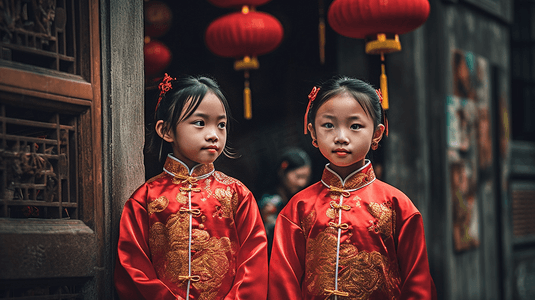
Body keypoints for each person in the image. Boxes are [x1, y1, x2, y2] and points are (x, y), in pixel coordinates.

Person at [268, 76, 436, 299]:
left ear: (377, 133)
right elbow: (283, 284)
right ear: (313, 132)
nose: (341, 137)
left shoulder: (398, 206)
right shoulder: (297, 208)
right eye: (328, 125)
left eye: (355, 126)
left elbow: (418, 283)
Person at [114, 74, 268, 300]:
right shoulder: (145, 198)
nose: (214, 134)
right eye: (199, 123)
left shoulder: (237, 195)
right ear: (166, 130)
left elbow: (254, 262)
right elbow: (133, 266)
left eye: (222, 124)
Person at [258, 147, 312, 257]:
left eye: (306, 177)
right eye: (298, 177)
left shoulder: (301, 198)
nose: (302, 183)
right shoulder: (270, 203)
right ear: (283, 172)